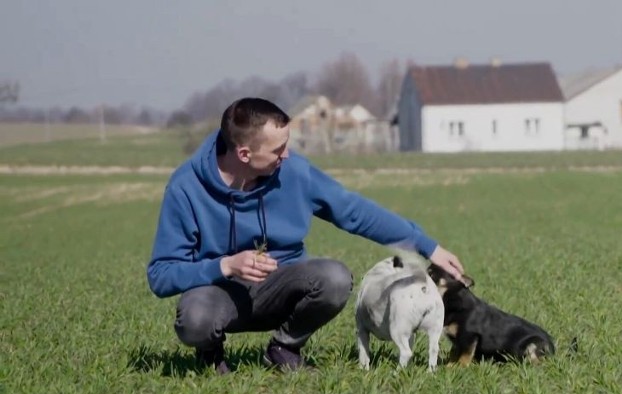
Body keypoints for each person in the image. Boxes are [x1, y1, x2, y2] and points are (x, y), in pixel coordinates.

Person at [147, 97, 465, 375]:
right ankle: (211, 354)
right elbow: (161, 275)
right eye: (278, 149)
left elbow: (354, 211)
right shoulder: (186, 187)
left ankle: (283, 349)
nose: (287, 155)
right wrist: (226, 265)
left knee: (335, 277)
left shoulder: (293, 172)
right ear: (244, 154)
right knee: (195, 318)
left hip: (280, 287)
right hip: (221, 294)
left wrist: (427, 246)